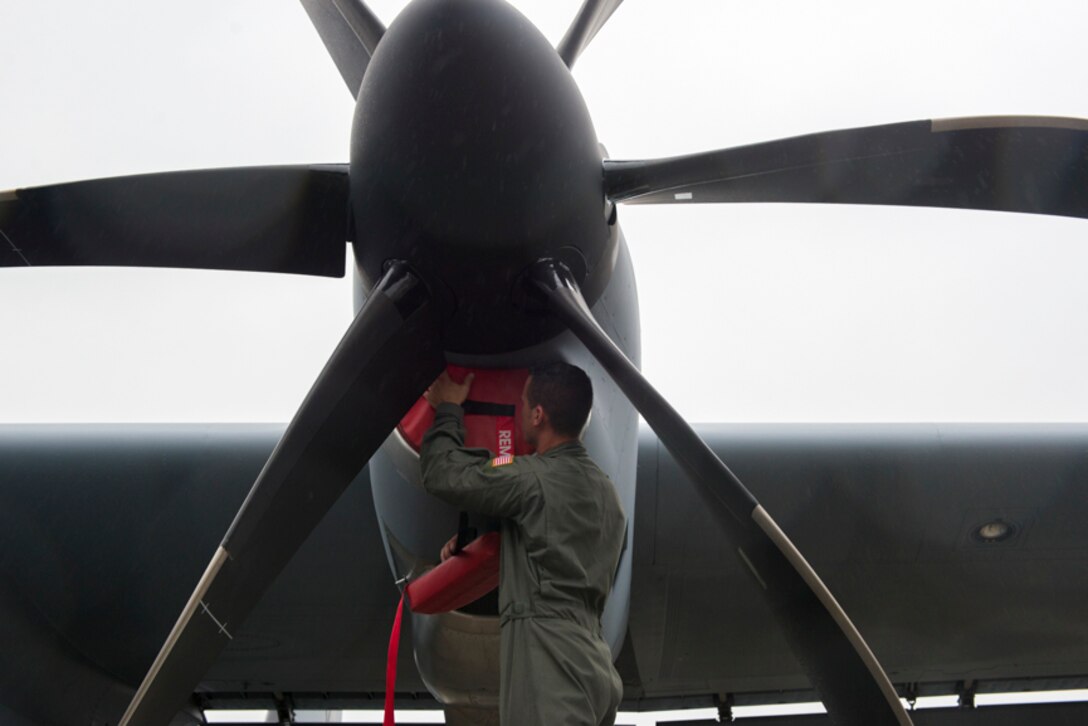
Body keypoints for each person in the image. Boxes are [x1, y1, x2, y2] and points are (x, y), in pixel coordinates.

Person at [420, 362, 626, 726]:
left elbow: (443, 474)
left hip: (552, 670)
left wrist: (449, 408)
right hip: (594, 665)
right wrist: (481, 544)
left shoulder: (530, 480)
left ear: (538, 415)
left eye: (522, 402)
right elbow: (554, 549)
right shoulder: (608, 493)